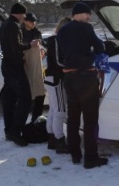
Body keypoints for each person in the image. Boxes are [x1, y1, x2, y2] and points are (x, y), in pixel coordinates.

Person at [57, 2, 108, 169]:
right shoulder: (85, 28)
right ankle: (91, 158)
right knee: (90, 119)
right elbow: (100, 46)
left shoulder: (63, 30)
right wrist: (92, 54)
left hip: (69, 77)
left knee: (72, 118)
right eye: (88, 14)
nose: (89, 18)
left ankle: (75, 154)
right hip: (86, 77)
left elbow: (62, 55)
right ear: (80, 13)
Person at [0, 3, 40, 146]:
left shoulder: (5, 24)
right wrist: (31, 45)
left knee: (9, 99)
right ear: (18, 13)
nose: (24, 17)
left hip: (8, 66)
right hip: (14, 67)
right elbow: (16, 46)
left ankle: (9, 130)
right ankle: (15, 132)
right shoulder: (13, 26)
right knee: (26, 98)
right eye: (24, 14)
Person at [44, 16, 71, 154]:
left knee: (53, 110)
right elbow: (59, 62)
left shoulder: (55, 39)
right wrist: (71, 65)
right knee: (60, 111)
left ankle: (52, 140)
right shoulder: (56, 40)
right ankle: (60, 141)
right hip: (56, 79)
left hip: (51, 78)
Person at [21, 12, 46, 123]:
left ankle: (36, 120)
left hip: (37, 66)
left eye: (34, 21)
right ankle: (21, 123)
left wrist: (43, 49)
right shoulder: (20, 32)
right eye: (31, 21)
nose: (33, 23)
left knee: (40, 94)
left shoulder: (37, 32)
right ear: (25, 21)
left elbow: (44, 45)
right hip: (24, 67)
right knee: (27, 96)